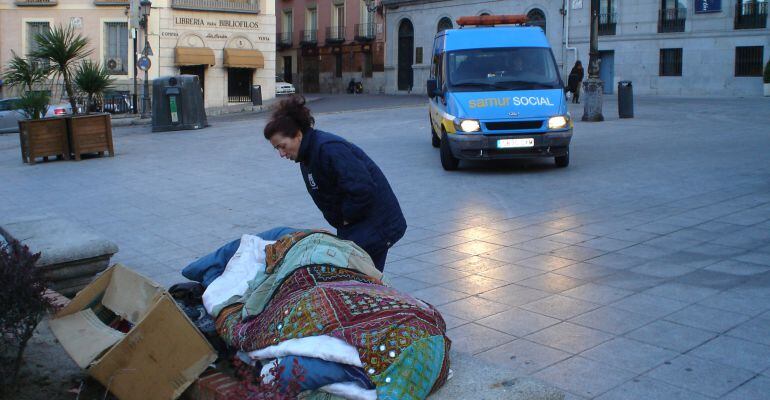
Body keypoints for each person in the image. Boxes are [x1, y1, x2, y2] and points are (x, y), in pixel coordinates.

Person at [263, 96, 407, 271]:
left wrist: (345, 218)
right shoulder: (307, 155)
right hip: (357, 225)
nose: (281, 153)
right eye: (277, 148)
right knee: (357, 281)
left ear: (298, 135)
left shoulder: (328, 148)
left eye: (282, 146)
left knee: (362, 283)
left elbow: (362, 188)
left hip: (377, 226)